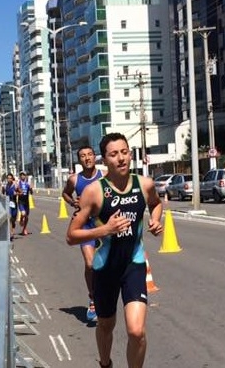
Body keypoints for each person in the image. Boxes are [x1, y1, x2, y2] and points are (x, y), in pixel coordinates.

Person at [66, 133, 163, 368]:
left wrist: (156, 220)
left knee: (137, 331)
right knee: (106, 324)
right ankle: (105, 363)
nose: (121, 158)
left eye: (124, 152)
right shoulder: (94, 191)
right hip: (105, 268)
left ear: (130, 154)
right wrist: (105, 230)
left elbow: (156, 203)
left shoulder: (145, 184)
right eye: (114, 154)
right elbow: (71, 235)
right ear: (105, 160)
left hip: (134, 265)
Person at [62, 146, 104, 321]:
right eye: (83, 156)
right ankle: (93, 298)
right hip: (85, 226)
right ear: (79, 160)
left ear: (95, 157)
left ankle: (107, 296)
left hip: (104, 225)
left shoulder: (105, 176)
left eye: (89, 155)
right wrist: (73, 202)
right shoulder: (74, 179)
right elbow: (65, 193)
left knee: (107, 265)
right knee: (89, 264)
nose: (87, 158)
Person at [3, 173, 20, 241]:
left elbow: (21, 192)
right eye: (8, 178)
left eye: (10, 178)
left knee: (13, 219)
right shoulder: (5, 186)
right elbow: (2, 193)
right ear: (7, 179)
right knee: (9, 218)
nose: (9, 179)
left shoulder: (15, 186)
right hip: (8, 204)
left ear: (12, 178)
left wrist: (16, 193)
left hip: (14, 203)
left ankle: (12, 231)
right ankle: (10, 233)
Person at [17, 171, 32, 236]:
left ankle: (24, 229)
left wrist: (31, 188)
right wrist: (18, 191)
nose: (22, 176)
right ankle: (21, 219)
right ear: (20, 176)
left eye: (24, 175)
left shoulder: (27, 184)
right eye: (21, 175)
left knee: (27, 217)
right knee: (23, 213)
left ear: (25, 176)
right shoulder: (18, 183)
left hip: (26, 202)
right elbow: (15, 191)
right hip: (20, 201)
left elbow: (31, 193)